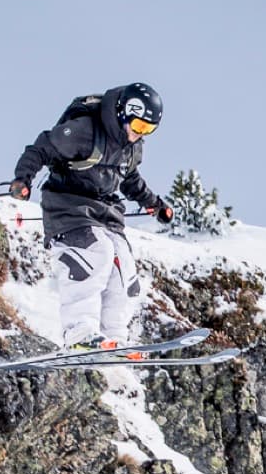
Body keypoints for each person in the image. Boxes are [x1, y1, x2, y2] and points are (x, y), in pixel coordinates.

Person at [10, 82, 174, 351]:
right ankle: (79, 332)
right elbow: (41, 148)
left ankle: (114, 339)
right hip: (68, 205)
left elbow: (129, 179)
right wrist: (23, 179)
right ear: (123, 113)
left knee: (124, 269)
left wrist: (155, 204)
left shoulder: (132, 148)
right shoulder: (85, 131)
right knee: (96, 252)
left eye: (148, 130)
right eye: (138, 126)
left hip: (105, 212)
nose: (138, 134)